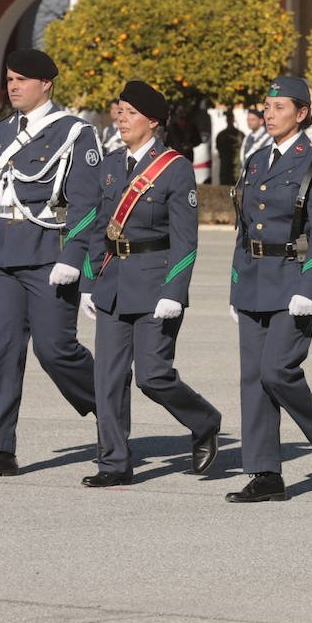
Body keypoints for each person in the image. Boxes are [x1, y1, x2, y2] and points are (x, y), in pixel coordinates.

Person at [0, 49, 102, 478]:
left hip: (46, 257)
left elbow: (87, 204)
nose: (14, 86)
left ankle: (109, 407)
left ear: (46, 84)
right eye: (10, 79)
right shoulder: (1, 132)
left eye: (22, 79)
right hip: (2, 256)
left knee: (56, 350)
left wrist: (74, 258)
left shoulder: (75, 134)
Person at [78, 80, 222, 487]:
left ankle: (205, 420)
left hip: (155, 285)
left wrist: (174, 293)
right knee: (107, 379)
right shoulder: (108, 165)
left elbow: (186, 239)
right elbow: (94, 228)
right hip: (112, 284)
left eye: (130, 114)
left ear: (153, 122)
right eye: (118, 111)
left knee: (152, 376)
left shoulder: (174, 168)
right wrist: (89, 282)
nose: (120, 119)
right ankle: (114, 464)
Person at [225, 76, 312, 503]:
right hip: (254, 279)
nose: (269, 114)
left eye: (279, 108)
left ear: (302, 113)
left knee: (278, 370)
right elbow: (243, 230)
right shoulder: (256, 160)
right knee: (253, 380)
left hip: (294, 278)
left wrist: (310, 285)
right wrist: (235, 286)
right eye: (267, 107)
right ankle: (265, 474)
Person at [214, 110, 244, 185]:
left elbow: (243, 149)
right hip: (225, 166)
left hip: (236, 166)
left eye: (231, 118)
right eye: (228, 118)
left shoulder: (240, 134)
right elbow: (218, 148)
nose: (229, 120)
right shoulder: (221, 135)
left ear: (233, 119)